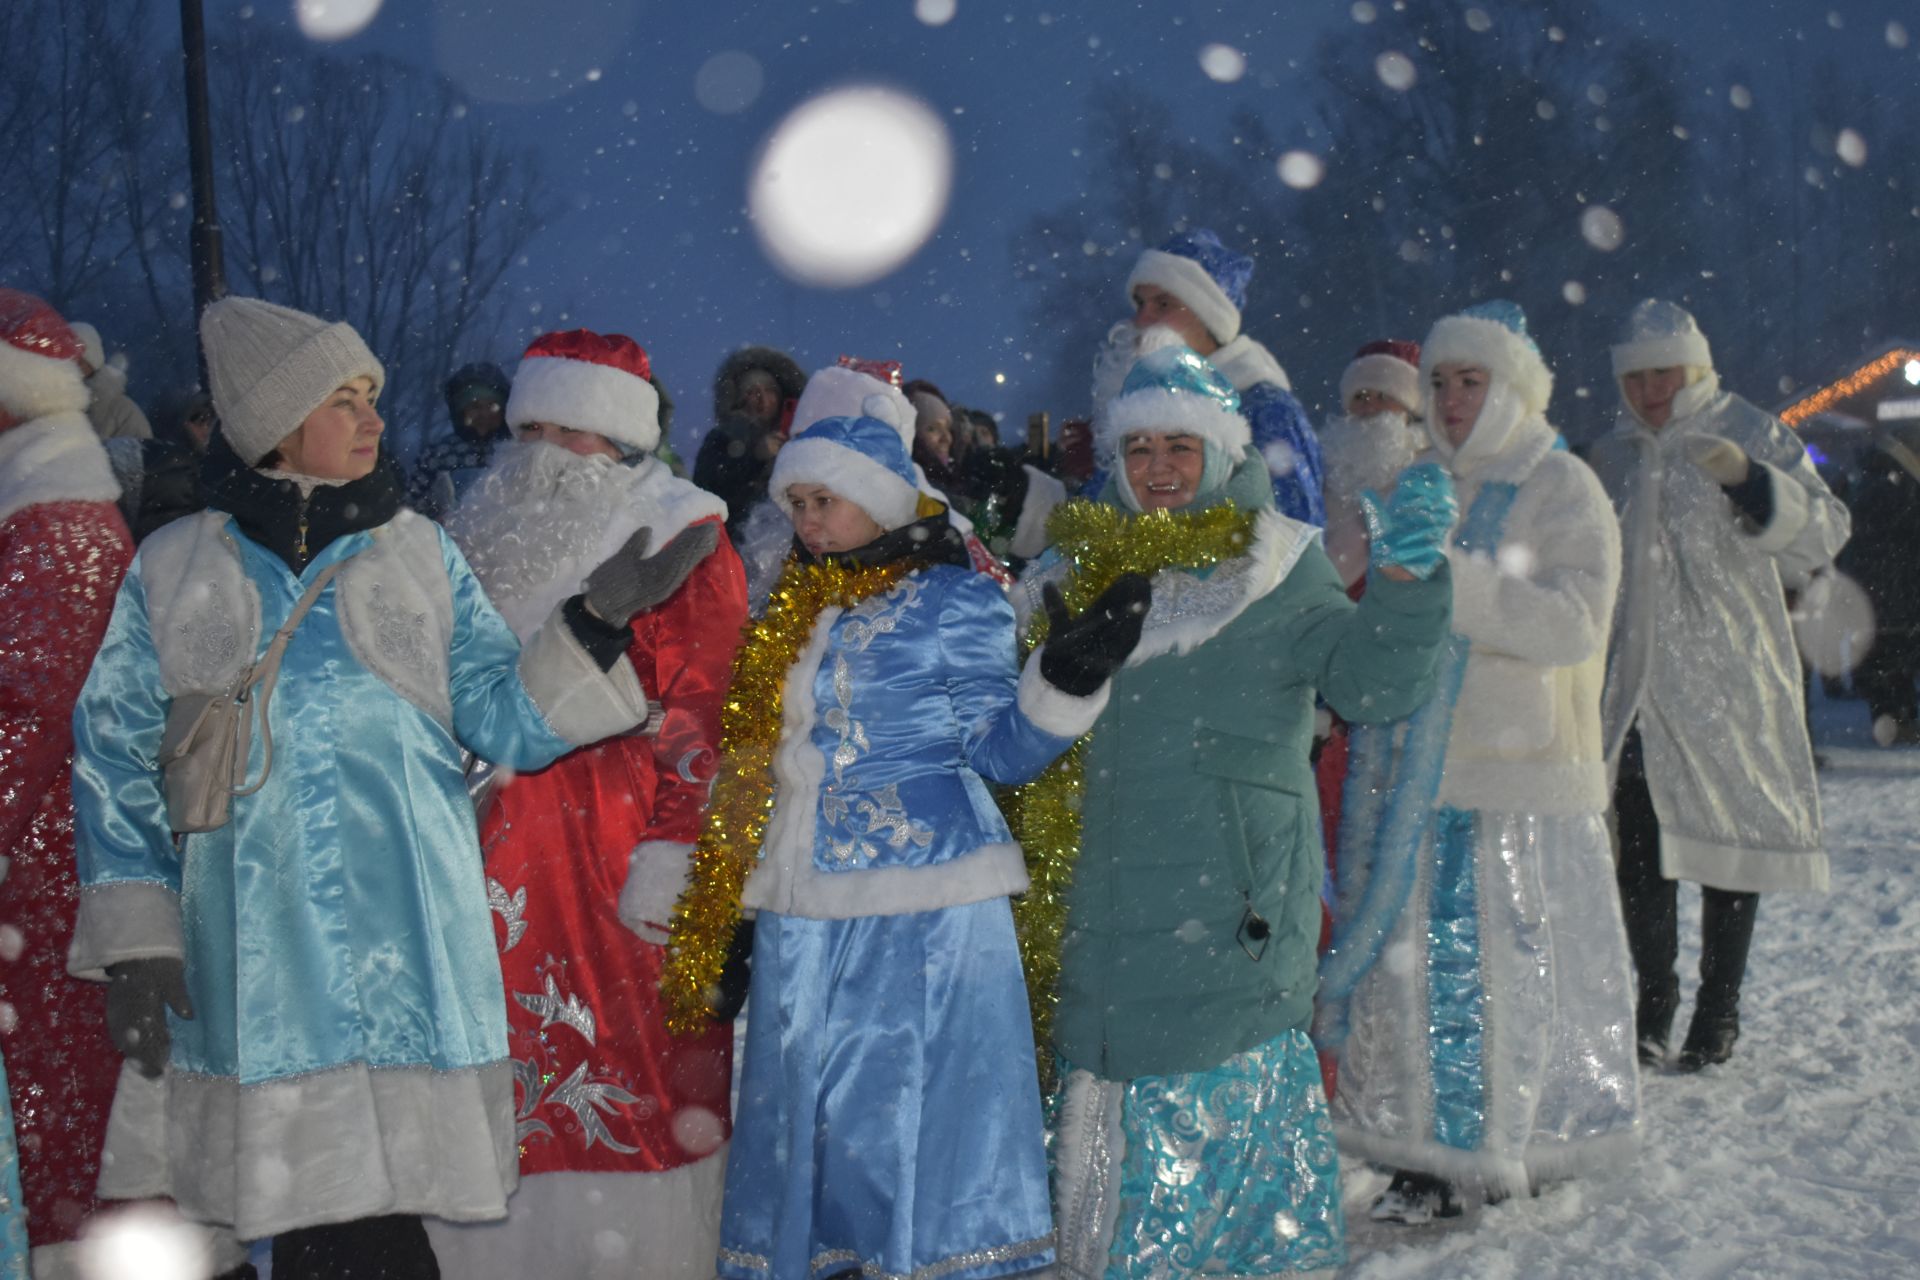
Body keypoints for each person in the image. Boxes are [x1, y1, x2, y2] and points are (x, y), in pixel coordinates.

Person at [66, 296, 685, 1278]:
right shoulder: (175, 567)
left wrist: (594, 626)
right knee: (275, 1218)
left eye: (373, 397)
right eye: (345, 400)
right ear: (275, 423)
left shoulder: (420, 555)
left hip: (406, 953)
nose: (375, 419)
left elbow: (501, 717)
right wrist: (137, 942)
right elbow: (112, 752)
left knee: (366, 1225)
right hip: (250, 951)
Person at [663, 413, 1138, 1280]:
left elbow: (999, 751)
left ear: (879, 502)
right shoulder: (791, 614)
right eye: (797, 502)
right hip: (802, 910)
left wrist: (1065, 684)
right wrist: (730, 901)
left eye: (827, 500)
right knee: (812, 1119)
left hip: (924, 908)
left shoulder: (954, 599)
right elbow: (758, 765)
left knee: (909, 1116)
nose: (809, 521)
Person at [1023, 343, 1455, 1276]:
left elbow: (1370, 683)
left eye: (1183, 444)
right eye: (1140, 450)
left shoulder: (1276, 561)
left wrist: (1408, 590)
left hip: (1228, 923)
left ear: (1222, 451)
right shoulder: (1072, 565)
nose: (1162, 468)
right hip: (1090, 925)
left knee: (1214, 1190)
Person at [427, 330, 747, 1279]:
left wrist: (681, 853)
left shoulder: (682, 530)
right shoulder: (467, 535)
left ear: (617, 442)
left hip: (609, 850)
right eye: (532, 429)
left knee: (626, 1076)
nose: (543, 456)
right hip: (475, 846)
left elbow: (714, 708)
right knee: (485, 1081)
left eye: (572, 432)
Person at [1324, 301, 1637, 1223]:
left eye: (1473, 382)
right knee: (1415, 976)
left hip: (1514, 783)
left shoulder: (1563, 484)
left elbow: (1577, 624)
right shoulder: (1419, 480)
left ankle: (1504, 1146)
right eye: (1443, 384)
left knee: (1503, 978)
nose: (1454, 401)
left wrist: (1456, 583)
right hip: (1411, 774)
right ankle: (1421, 1147)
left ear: (1513, 388)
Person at [1589, 299, 1850, 1070]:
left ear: (1696, 366)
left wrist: (1751, 483)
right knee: (1641, 849)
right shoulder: (1614, 455)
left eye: (1664, 371)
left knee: (1725, 842)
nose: (1650, 389)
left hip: (1728, 678)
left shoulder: (1751, 429)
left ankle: (1718, 1008)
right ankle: (1653, 1002)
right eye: (1635, 377)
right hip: (1635, 686)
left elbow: (1827, 530)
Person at [0, 290, 135, 1275]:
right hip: (40, 867)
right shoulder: (35, 514)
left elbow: (26, 709)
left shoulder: (59, 528)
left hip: (52, 874)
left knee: (63, 1111)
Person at [1109, 227, 1326, 525]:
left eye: (1162, 304)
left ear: (1208, 316)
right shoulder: (1141, 408)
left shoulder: (1266, 409)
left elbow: (1293, 539)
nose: (1141, 319)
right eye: (1140, 304)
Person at [1834, 421, 1920, 744]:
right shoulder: (1891, 483)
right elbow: (1900, 533)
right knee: (1891, 659)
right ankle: (1895, 724)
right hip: (1890, 588)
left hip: (1881, 588)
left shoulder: (1876, 477)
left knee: (1890, 658)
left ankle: (1898, 721)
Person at [1321, 339, 1425, 590]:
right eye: (1361, 396)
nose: (1370, 406)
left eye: (1384, 396)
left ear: (1410, 407)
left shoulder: (1425, 467)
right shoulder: (1326, 465)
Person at [696, 346, 806, 537]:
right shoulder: (720, 439)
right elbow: (708, 495)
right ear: (738, 398)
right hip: (739, 546)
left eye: (770, 390)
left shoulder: (803, 434)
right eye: (752, 392)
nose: (763, 399)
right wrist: (754, 459)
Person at [407, 360, 512, 518]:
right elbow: (411, 509)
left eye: (492, 405)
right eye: (475, 406)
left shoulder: (515, 451)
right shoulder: (438, 455)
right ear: (461, 411)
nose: (484, 414)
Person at [69, 320, 153, 440]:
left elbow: (140, 456)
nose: (69, 367)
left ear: (92, 364)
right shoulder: (42, 407)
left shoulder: (125, 415)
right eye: (63, 360)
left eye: (78, 361)